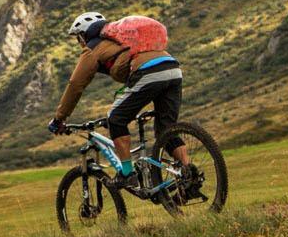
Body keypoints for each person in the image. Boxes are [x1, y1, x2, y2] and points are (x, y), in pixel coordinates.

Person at [48, 11, 189, 192]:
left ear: (83, 35)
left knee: (115, 118)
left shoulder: (92, 48)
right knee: (166, 130)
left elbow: (75, 84)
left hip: (148, 72)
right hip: (173, 69)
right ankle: (188, 174)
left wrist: (59, 118)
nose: (79, 43)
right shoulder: (123, 40)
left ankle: (127, 174)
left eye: (78, 38)